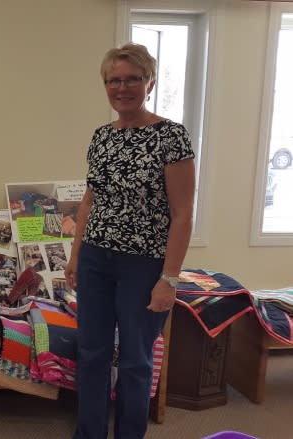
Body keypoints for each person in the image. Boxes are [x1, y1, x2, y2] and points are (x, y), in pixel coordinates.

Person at [64, 43, 196, 439]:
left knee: (137, 359)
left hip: (144, 265)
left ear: (149, 82)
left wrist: (169, 279)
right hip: (95, 261)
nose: (123, 87)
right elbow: (90, 200)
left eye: (132, 79)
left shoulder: (171, 137)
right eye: (114, 80)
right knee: (91, 355)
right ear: (105, 85)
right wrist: (75, 256)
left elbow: (183, 215)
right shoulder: (101, 137)